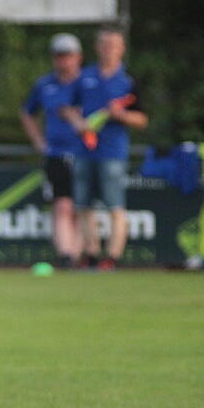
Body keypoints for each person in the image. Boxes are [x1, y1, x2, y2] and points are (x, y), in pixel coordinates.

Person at [64, 25, 148, 270]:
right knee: (83, 204)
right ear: (96, 47)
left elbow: (142, 119)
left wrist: (120, 115)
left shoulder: (128, 80)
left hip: (113, 152)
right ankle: (90, 252)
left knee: (115, 204)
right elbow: (67, 108)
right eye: (104, 44)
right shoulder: (84, 77)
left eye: (113, 45)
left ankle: (112, 256)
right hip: (84, 150)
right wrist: (79, 123)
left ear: (121, 48)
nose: (108, 49)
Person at [20, 33, 84, 267]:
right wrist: (38, 141)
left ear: (78, 57)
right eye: (59, 56)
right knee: (62, 205)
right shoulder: (44, 85)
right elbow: (27, 112)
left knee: (82, 207)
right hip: (56, 154)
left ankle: (80, 255)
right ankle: (66, 256)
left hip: (86, 154)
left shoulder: (88, 82)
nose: (63, 61)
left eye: (68, 56)